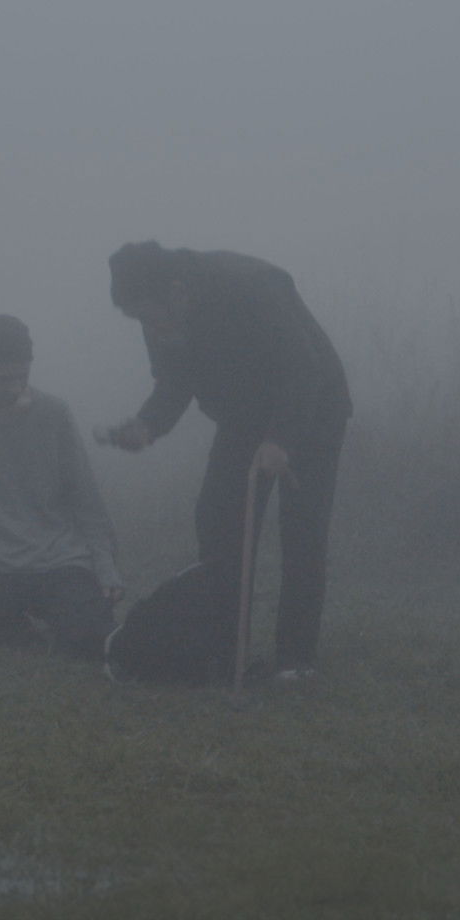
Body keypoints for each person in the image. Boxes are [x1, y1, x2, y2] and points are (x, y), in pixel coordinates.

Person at [98, 241, 352, 680]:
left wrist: (281, 440)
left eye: (148, 315)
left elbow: (302, 368)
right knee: (218, 518)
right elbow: (174, 380)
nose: (147, 327)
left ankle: (295, 660)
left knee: (302, 529)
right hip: (243, 415)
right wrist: (147, 425)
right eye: (137, 319)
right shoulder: (157, 312)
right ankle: (225, 647)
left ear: (177, 290)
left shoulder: (251, 286)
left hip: (313, 408)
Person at [0, 313, 123, 658]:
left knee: (91, 637)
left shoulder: (54, 414)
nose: (15, 388)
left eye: (23, 377)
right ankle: (13, 619)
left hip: (60, 558)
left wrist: (105, 567)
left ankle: (47, 619)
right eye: (4, 379)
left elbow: (85, 498)